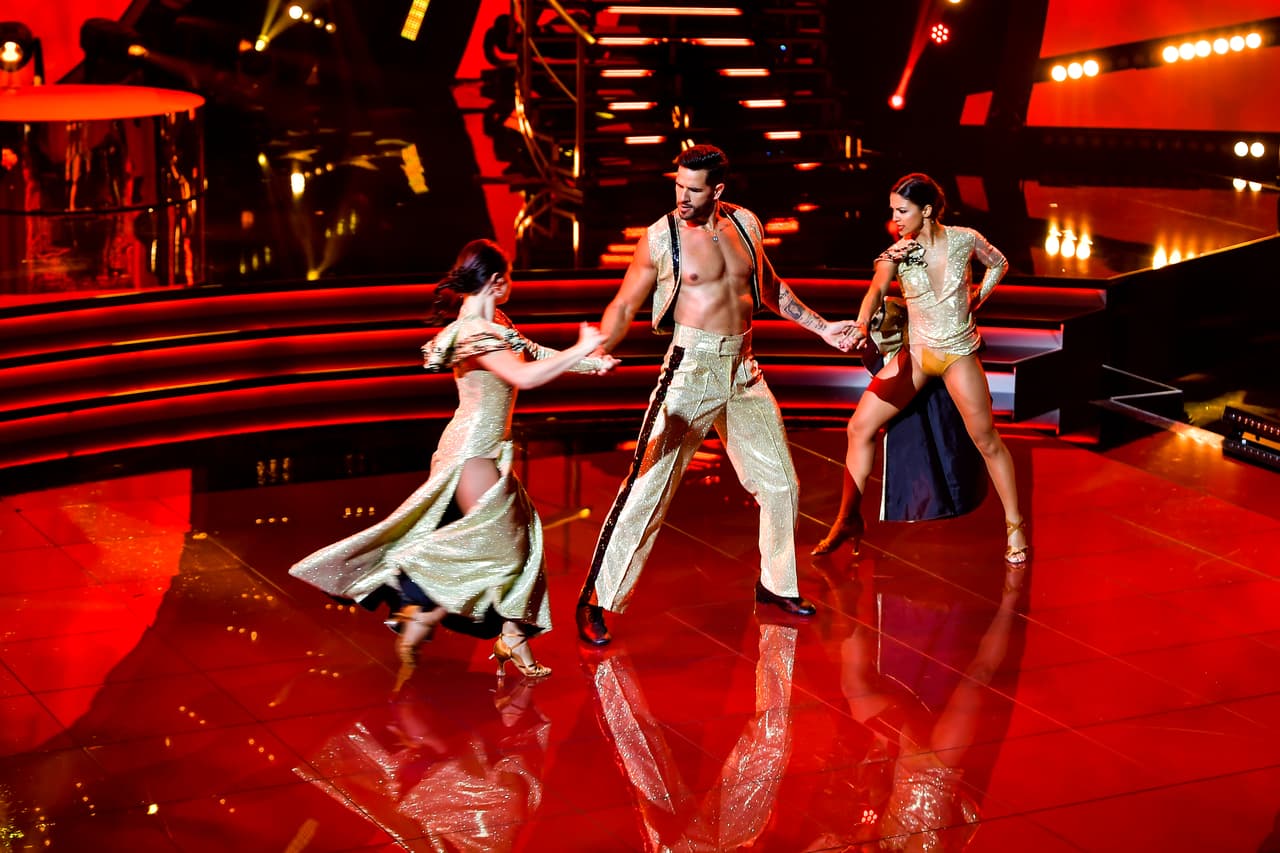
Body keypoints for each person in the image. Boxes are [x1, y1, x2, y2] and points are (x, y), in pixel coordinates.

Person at [290, 238, 618, 684]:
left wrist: (592, 363)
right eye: (510, 276)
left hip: (485, 449)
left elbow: (534, 354)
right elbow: (523, 376)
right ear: (497, 281)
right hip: (472, 453)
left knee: (518, 545)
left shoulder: (495, 323)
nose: (512, 283)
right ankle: (428, 606)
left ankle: (469, 626)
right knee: (502, 550)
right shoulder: (471, 333)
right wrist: (580, 349)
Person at [574, 144, 856, 646]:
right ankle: (597, 598)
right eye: (678, 186)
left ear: (718, 190)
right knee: (648, 487)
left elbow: (770, 287)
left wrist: (823, 328)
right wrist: (597, 348)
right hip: (691, 370)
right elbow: (623, 305)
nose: (682, 197)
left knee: (781, 484)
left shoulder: (746, 224)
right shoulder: (660, 238)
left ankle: (776, 585)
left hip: (743, 368)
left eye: (693, 189)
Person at [813, 173, 1028, 563]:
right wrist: (861, 325)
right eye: (892, 210)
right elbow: (876, 290)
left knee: (986, 440)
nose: (894, 218)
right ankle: (848, 519)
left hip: (958, 354)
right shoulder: (896, 253)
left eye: (902, 210)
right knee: (859, 427)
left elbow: (999, 263)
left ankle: (1015, 526)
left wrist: (978, 296)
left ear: (926, 210)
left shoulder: (965, 239)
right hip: (916, 357)